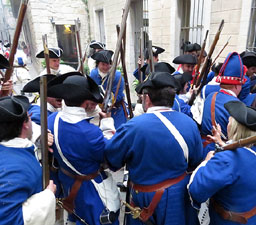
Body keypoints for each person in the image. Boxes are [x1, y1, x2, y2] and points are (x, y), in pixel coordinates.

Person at [105, 72, 203, 225]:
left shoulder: (133, 127)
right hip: (178, 195)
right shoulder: (189, 123)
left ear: (148, 98)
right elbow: (195, 161)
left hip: (144, 197)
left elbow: (113, 160)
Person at [47, 73, 120, 225]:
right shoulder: (89, 133)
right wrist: (107, 123)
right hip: (91, 190)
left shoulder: (52, 120)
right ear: (86, 102)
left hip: (69, 185)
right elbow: (111, 155)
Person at [188, 100, 256, 225]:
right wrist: (222, 143)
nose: (227, 125)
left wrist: (206, 162)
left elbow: (197, 191)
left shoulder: (225, 160)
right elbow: (241, 155)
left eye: (229, 122)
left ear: (235, 128)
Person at [0, 95, 56, 224]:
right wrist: (48, 196)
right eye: (29, 117)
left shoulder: (13, 149)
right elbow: (8, 219)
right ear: (25, 124)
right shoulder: (15, 168)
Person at [198, 52, 246, 154]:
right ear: (238, 86)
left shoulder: (211, 95)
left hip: (203, 149)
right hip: (222, 152)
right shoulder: (238, 105)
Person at [90, 49, 128, 128]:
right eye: (103, 64)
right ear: (98, 64)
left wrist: (106, 103)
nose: (105, 67)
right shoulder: (93, 74)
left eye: (107, 64)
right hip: (98, 110)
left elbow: (118, 96)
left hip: (115, 111)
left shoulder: (117, 76)